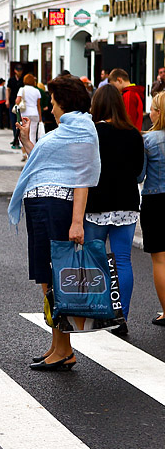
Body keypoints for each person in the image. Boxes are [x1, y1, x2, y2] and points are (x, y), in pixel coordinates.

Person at [8, 74, 100, 371]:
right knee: (48, 279)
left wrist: (77, 223)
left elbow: (82, 180)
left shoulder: (81, 132)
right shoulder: (64, 130)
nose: (50, 107)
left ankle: (64, 349)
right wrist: (27, 142)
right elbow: (45, 164)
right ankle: (58, 346)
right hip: (42, 208)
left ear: (64, 101)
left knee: (56, 279)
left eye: (53, 101)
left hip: (56, 211)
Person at [83, 85, 144, 335]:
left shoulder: (93, 133)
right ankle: (121, 316)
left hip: (97, 205)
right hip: (127, 205)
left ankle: (99, 313)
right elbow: (140, 172)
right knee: (122, 261)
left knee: (95, 261)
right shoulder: (133, 133)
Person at [140, 92, 165, 326]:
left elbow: (140, 174)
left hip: (155, 200)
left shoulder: (149, 140)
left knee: (160, 259)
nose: (150, 113)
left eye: (153, 109)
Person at [16, 74, 42, 159]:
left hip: (25, 113)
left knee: (23, 133)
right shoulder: (37, 91)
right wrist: (40, 118)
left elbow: (17, 101)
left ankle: (24, 153)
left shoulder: (22, 89)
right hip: (34, 113)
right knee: (33, 135)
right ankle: (32, 155)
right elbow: (38, 105)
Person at [7, 64, 24, 148]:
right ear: (15, 71)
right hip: (12, 102)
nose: (19, 72)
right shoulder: (11, 80)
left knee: (20, 122)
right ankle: (15, 138)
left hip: (21, 104)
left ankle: (19, 139)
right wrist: (7, 100)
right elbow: (8, 89)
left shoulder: (23, 80)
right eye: (18, 70)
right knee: (14, 122)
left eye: (20, 70)